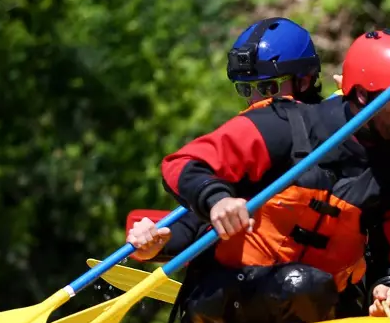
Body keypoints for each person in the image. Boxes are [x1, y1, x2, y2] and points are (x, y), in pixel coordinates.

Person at [158, 28, 390, 323]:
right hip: (226, 296)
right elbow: (181, 164)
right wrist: (216, 200)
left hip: (323, 310)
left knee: (313, 288)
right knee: (302, 284)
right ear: (362, 95)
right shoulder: (282, 125)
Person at [127, 17, 324, 262]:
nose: (254, 100)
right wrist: (158, 244)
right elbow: (196, 222)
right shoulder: (254, 139)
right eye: (245, 89)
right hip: (259, 282)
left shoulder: (343, 133)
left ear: (304, 81)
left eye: (268, 88)